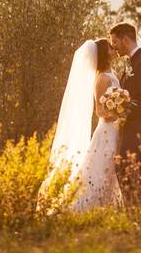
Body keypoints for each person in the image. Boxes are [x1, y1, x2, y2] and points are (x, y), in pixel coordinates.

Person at [45, 39, 123, 212]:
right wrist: (118, 113)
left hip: (115, 129)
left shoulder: (113, 73)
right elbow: (99, 112)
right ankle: (85, 208)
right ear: (105, 53)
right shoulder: (102, 78)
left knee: (110, 168)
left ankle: (108, 207)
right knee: (103, 168)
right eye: (110, 46)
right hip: (106, 131)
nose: (114, 47)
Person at [108, 22, 141, 207]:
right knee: (124, 170)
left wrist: (123, 109)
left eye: (115, 42)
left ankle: (139, 213)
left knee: (129, 172)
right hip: (130, 127)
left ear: (126, 40)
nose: (114, 47)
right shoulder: (133, 62)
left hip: (138, 128)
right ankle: (135, 213)